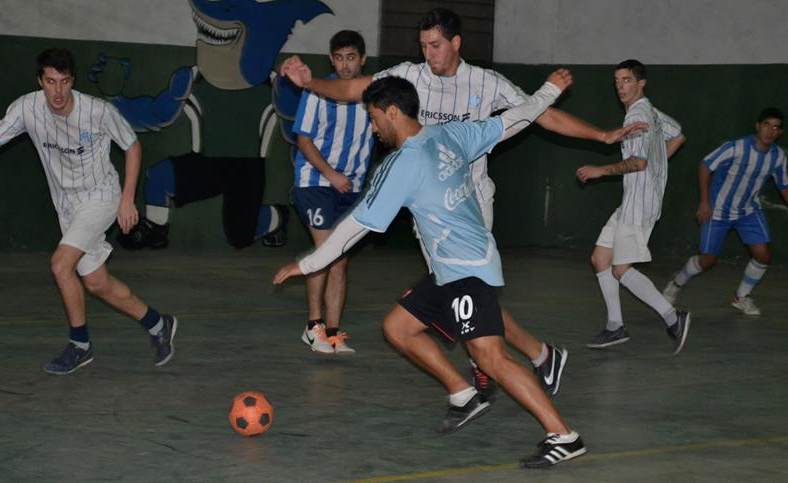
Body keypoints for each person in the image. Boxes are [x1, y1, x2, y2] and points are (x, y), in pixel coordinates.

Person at [281, 8, 644, 397]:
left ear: (455, 43)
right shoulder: (410, 75)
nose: (428, 54)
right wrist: (311, 82)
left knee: (464, 291)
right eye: (423, 46)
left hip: (470, 204)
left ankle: (491, 368)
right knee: (463, 295)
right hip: (429, 212)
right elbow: (354, 89)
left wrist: (602, 136)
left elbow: (540, 114)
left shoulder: (486, 82)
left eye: (435, 45)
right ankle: (538, 356)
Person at [275, 73, 586, 468]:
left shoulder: (402, 164)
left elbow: (354, 228)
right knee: (398, 328)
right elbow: (515, 118)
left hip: (465, 268)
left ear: (392, 112)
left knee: (491, 358)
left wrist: (306, 264)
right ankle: (462, 394)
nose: (373, 128)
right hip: (452, 268)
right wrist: (548, 91)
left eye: (373, 118)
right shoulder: (450, 134)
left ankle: (564, 436)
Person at [0, 48, 177, 374]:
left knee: (61, 265)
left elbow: (132, 145)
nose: (58, 91)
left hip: (101, 197)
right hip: (67, 205)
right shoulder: (26, 108)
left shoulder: (97, 111)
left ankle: (80, 345)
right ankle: (159, 324)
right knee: (97, 283)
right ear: (40, 81)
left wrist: (127, 199)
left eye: (64, 81)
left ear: (72, 80)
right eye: (50, 82)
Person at [576, 59, 690, 354]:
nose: (620, 86)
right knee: (601, 258)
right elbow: (678, 134)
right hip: (631, 201)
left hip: (640, 204)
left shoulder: (637, 115)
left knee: (621, 269)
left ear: (641, 83)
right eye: (617, 81)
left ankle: (673, 318)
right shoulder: (651, 111)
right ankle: (615, 326)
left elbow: (637, 163)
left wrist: (600, 171)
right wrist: (658, 164)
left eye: (626, 80)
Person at [292, 30, 374, 355]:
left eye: (351, 57)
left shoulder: (373, 95)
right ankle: (313, 327)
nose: (345, 65)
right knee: (326, 253)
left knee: (340, 262)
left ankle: (334, 334)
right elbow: (303, 140)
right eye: (339, 58)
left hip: (350, 188)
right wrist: (330, 173)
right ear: (331, 59)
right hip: (315, 181)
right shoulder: (317, 92)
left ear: (363, 59)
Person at [662, 108, 787, 315]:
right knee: (708, 260)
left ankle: (741, 297)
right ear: (758, 126)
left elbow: (783, 186)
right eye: (767, 125)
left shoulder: (778, 156)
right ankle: (676, 283)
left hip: (748, 211)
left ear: (780, 132)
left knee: (763, 255)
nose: (770, 131)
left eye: (776, 127)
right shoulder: (736, 147)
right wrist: (704, 202)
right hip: (717, 211)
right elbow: (705, 165)